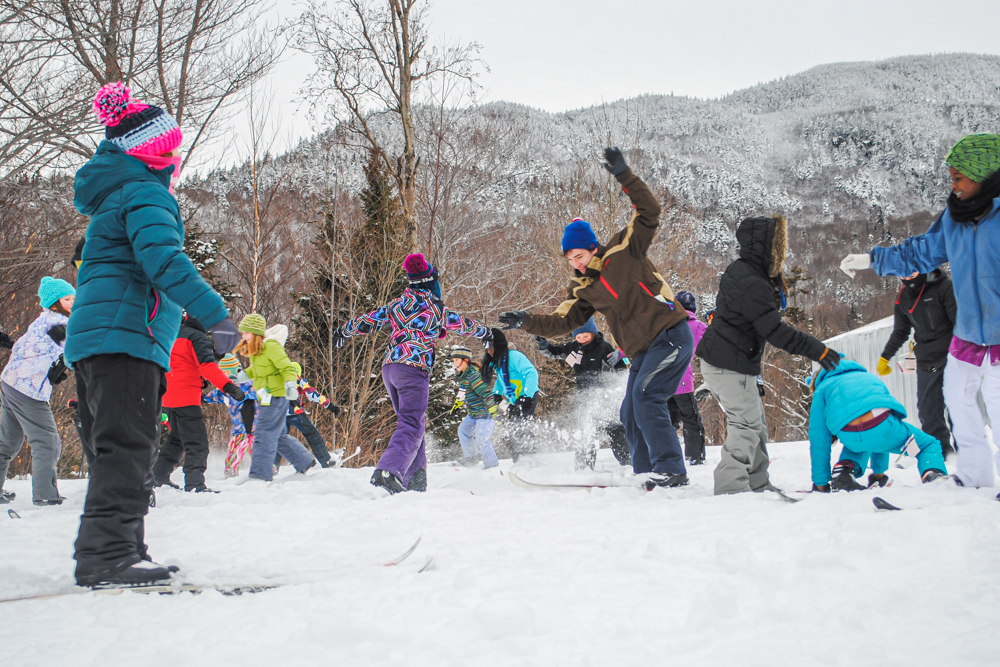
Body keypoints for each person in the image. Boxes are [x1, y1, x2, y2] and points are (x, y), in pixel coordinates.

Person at [66, 82, 242, 588]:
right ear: (153, 152)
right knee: (128, 446)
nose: (175, 158)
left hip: (98, 338)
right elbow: (164, 260)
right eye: (170, 149)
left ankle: (112, 548)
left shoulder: (114, 196)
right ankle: (109, 556)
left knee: (114, 447)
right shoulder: (145, 193)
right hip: (125, 337)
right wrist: (215, 316)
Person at [500, 147, 693, 488]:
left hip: (670, 335)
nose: (575, 263)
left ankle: (671, 470)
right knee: (629, 414)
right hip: (643, 352)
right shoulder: (584, 288)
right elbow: (562, 322)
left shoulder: (625, 251)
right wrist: (525, 320)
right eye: (569, 259)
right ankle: (645, 472)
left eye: (579, 255)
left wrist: (624, 175)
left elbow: (650, 211)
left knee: (647, 397)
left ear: (592, 248)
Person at [840, 133, 1000, 489]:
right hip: (970, 333)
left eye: (959, 177)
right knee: (957, 399)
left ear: (984, 174)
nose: (953, 185)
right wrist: (872, 259)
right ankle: (975, 475)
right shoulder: (955, 219)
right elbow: (920, 252)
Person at [696, 215, 841, 495]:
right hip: (727, 364)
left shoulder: (748, 272)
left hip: (734, 361)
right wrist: (817, 350)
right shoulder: (752, 282)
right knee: (746, 425)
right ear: (765, 248)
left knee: (757, 425)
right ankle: (731, 487)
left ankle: (757, 483)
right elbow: (774, 330)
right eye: (778, 247)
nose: (782, 254)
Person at [334, 253, 492, 494]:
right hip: (413, 369)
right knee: (411, 423)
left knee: (412, 421)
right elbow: (462, 324)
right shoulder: (435, 308)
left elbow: (370, 320)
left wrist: (344, 330)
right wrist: (486, 333)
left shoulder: (397, 304)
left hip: (390, 369)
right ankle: (387, 471)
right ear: (430, 281)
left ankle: (415, 480)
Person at [808, 357, 947, 492]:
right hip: (882, 426)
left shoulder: (822, 389)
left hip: (849, 434)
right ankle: (932, 474)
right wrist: (878, 475)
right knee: (927, 445)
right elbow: (881, 430)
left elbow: (819, 440)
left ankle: (844, 471)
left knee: (859, 441)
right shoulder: (868, 377)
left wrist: (820, 484)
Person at [0, 277, 75, 506]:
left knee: (7, 441)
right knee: (47, 441)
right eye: (66, 299)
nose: (72, 302)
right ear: (55, 302)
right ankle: (45, 494)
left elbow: (27, 349)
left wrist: (55, 366)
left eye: (73, 297)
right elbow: (75, 352)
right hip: (28, 390)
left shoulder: (42, 320)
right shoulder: (58, 325)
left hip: (10, 382)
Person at [152, 312, 244, 493]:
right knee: (197, 443)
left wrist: (214, 355)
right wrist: (229, 387)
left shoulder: (175, 334)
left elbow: (182, 363)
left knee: (177, 438)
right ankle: (195, 484)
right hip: (186, 398)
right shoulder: (198, 338)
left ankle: (159, 477)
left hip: (168, 397)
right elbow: (206, 367)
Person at [877, 269, 957, 457]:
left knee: (958, 408)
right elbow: (901, 331)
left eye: (910, 274)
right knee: (929, 411)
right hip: (926, 360)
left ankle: (967, 456)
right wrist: (885, 356)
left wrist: (970, 354)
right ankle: (942, 455)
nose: (906, 279)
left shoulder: (944, 287)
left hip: (952, 357)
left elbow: (959, 323)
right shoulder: (904, 296)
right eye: (902, 276)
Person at [534, 317, 630, 468]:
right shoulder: (573, 348)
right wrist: (544, 344)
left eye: (586, 336)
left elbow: (620, 370)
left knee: (616, 431)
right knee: (587, 433)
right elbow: (554, 352)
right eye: (579, 336)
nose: (582, 339)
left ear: (593, 333)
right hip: (586, 399)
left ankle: (628, 462)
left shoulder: (604, 347)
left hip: (606, 397)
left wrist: (617, 383)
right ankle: (584, 467)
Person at [235, 314, 316, 482]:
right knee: (277, 435)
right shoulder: (256, 351)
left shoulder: (271, 346)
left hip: (275, 396)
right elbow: (256, 371)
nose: (242, 334)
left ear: (254, 331)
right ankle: (305, 461)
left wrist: (291, 385)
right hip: (266, 398)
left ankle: (260, 475)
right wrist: (241, 376)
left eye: (245, 331)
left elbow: (287, 368)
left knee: (264, 433)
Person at [261, 325, 341, 468]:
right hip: (295, 412)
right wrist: (330, 405)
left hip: (277, 413)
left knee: (279, 438)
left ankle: (272, 465)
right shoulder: (296, 379)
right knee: (312, 434)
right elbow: (312, 394)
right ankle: (326, 460)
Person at [482, 328, 540, 462]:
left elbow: (532, 373)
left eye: (491, 347)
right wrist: (496, 394)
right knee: (514, 428)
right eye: (487, 349)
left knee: (520, 426)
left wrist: (526, 395)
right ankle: (519, 460)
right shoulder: (498, 362)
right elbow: (501, 379)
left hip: (527, 396)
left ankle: (530, 458)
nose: (489, 351)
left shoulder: (514, 357)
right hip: (514, 399)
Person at [669, 291, 709, 465]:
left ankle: (668, 456)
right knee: (691, 420)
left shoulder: (665, 324)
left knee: (668, 422)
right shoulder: (697, 326)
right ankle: (695, 456)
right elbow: (713, 346)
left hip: (661, 381)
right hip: (683, 382)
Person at [204, 354, 257, 478]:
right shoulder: (225, 392)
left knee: (239, 447)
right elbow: (215, 395)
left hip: (248, 425)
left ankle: (231, 470)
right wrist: (203, 399)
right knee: (249, 448)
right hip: (247, 426)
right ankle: (233, 469)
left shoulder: (248, 386)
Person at [450, 346, 501, 469]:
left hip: (485, 413)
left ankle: (492, 465)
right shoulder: (463, 375)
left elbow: (486, 393)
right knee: (463, 430)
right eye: (453, 360)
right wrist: (457, 406)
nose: (455, 363)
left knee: (482, 439)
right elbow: (463, 391)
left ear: (465, 360)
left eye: (457, 360)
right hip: (474, 413)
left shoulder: (473, 376)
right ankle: (471, 458)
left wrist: (494, 411)